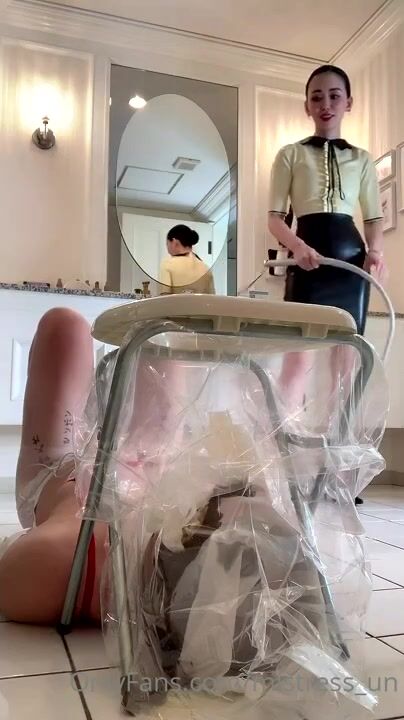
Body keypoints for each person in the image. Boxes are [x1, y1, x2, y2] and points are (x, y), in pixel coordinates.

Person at [159, 224, 215, 294]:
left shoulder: (167, 264)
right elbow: (212, 297)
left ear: (174, 242)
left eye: (167, 243)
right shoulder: (206, 268)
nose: (167, 248)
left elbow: (164, 296)